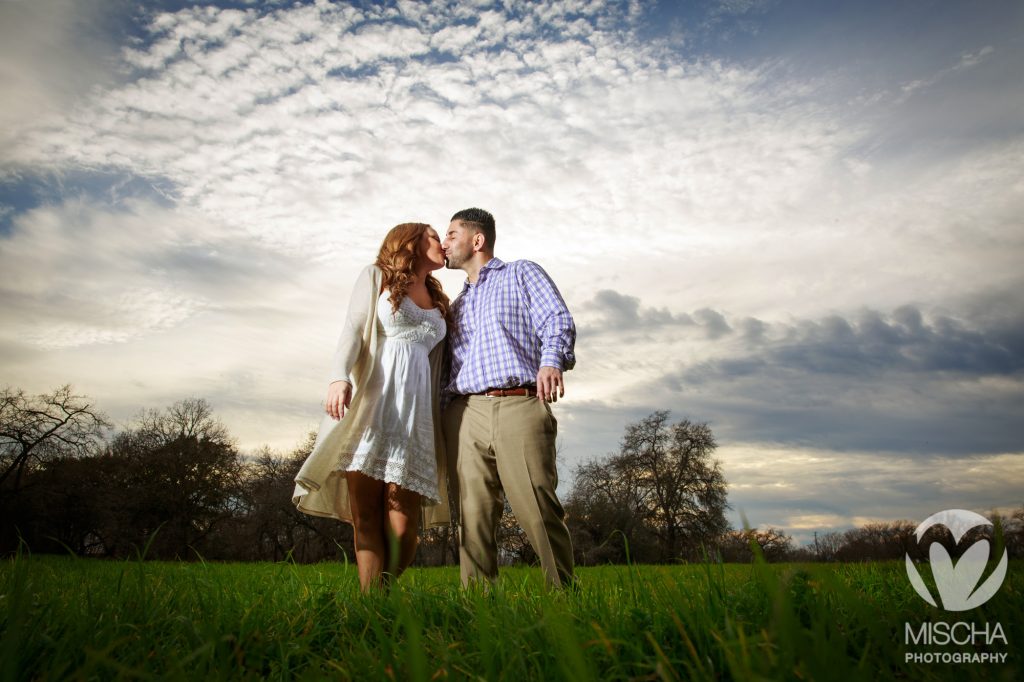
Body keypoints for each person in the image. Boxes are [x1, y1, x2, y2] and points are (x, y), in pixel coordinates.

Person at [293, 222, 453, 592]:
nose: (441, 242)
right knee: (365, 518)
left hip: (415, 419)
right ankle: (370, 605)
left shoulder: (439, 298)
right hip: (372, 409)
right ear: (411, 241)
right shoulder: (376, 277)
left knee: (404, 529)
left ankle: (379, 591)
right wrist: (339, 376)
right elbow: (352, 328)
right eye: (433, 236)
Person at [441, 207, 576, 589]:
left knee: (537, 507)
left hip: (519, 402)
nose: (444, 242)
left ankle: (566, 597)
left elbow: (556, 319)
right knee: (473, 516)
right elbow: (447, 372)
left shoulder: (520, 272)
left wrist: (551, 361)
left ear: (477, 240)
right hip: (465, 413)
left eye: (451, 234)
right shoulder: (457, 305)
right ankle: (479, 611)